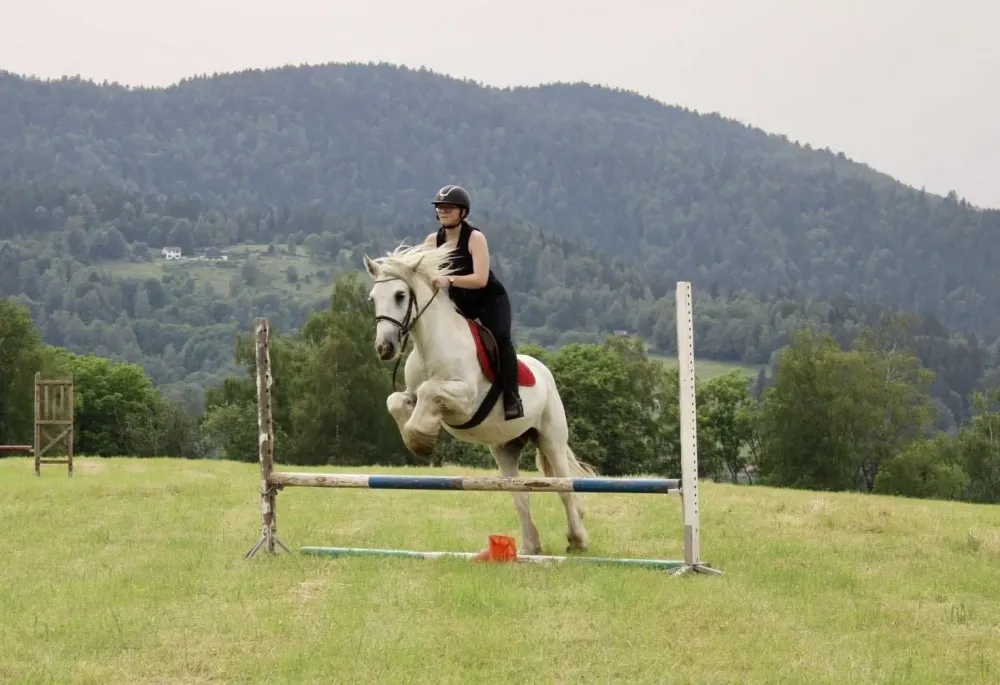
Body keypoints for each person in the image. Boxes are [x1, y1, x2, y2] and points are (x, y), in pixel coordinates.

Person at [422, 184, 524, 421]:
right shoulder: (432, 241)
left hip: (490, 300)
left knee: (501, 338)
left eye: (449, 208)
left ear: (463, 212)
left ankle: (512, 397)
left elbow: (480, 279)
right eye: (440, 207)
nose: (443, 211)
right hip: (460, 302)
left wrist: (448, 279)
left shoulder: (475, 238)